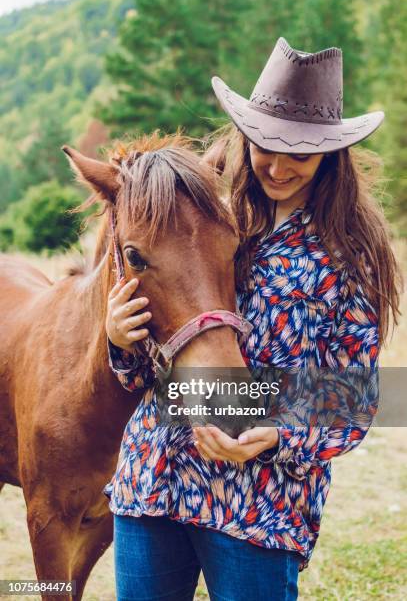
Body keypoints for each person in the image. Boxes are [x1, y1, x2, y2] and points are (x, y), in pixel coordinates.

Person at [103, 37, 402, 600]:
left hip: (258, 503)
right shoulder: (205, 213)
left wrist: (278, 431)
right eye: (265, 144)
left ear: (330, 155)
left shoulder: (350, 253)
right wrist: (121, 339)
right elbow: (146, 373)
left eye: (301, 152)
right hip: (156, 476)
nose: (278, 164)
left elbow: (358, 395)